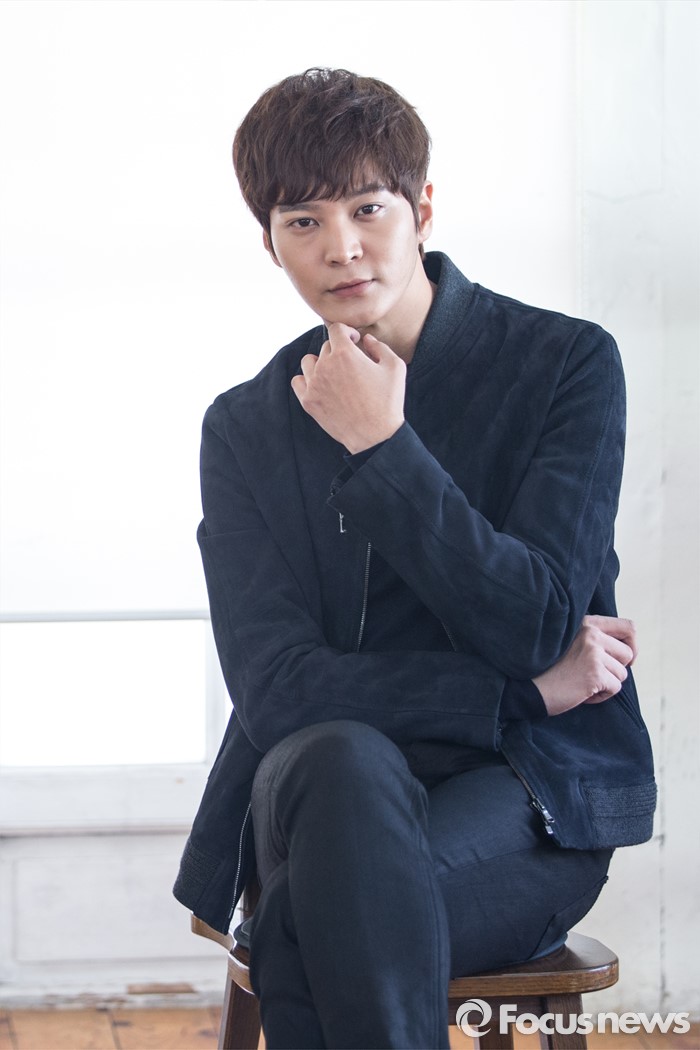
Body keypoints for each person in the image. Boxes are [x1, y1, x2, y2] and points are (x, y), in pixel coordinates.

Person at [174, 68, 656, 1049]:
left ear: (421, 208)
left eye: (367, 208)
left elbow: (535, 621)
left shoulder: (563, 365)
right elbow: (279, 693)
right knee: (339, 758)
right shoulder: (244, 427)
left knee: (315, 918)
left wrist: (381, 448)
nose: (341, 247)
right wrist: (521, 692)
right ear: (268, 240)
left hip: (525, 794)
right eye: (303, 220)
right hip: (321, 787)